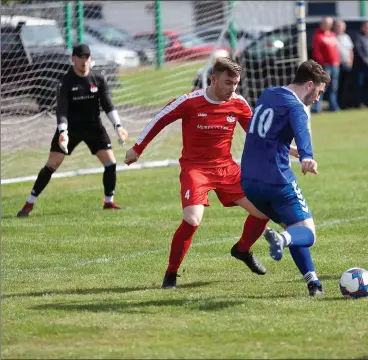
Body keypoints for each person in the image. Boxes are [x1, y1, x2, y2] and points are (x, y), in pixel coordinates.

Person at [124, 57, 272, 289]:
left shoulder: (238, 103)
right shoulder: (190, 101)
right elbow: (159, 119)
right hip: (196, 169)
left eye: (236, 84)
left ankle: (242, 250)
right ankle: (171, 274)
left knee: (264, 211)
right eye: (227, 83)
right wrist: (137, 149)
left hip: (226, 167)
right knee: (192, 220)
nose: (232, 89)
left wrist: (286, 149)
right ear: (213, 79)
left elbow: (257, 135)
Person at [240, 60, 331, 297]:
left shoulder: (268, 94)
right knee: (307, 233)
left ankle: (314, 283)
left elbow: (259, 130)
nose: (318, 98)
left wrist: (285, 148)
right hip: (277, 180)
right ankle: (281, 238)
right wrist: (307, 157)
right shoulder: (297, 107)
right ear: (309, 84)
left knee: (294, 228)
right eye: (319, 92)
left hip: (249, 182)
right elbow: (303, 134)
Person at [16, 44, 128, 217]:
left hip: (93, 127)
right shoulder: (65, 82)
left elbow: (108, 105)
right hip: (70, 129)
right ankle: (29, 203)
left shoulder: (98, 79)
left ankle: (108, 201)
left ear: (90, 59)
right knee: (52, 165)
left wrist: (118, 126)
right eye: (80, 58)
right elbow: (61, 110)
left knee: (111, 163)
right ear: (73, 59)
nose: (84, 62)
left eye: (87, 58)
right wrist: (63, 132)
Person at [311, 16, 340, 112]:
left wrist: (337, 61)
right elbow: (316, 52)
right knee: (321, 86)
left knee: (334, 87)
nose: (329, 25)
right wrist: (322, 63)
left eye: (330, 23)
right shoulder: (318, 35)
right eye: (327, 23)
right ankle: (317, 107)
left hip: (335, 65)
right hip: (325, 65)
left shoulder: (332, 35)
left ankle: (333, 106)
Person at [334, 19, 354, 110]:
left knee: (346, 85)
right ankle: (336, 104)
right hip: (337, 65)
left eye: (341, 27)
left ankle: (345, 104)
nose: (340, 28)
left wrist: (351, 62)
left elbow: (350, 51)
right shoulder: (332, 36)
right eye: (338, 26)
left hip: (346, 64)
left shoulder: (346, 37)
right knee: (336, 86)